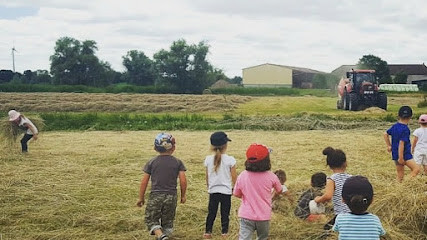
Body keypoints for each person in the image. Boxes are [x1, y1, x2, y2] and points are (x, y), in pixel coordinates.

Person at [136, 133, 187, 240]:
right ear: (173, 148)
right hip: (171, 196)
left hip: (156, 195)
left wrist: (141, 197)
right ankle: (165, 236)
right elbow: (183, 181)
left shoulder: (152, 162)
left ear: (155, 148)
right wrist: (183, 195)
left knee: (151, 218)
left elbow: (144, 182)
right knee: (168, 221)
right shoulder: (178, 162)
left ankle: (159, 235)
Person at [233, 143, 282, 240]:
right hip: (264, 216)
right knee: (262, 237)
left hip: (246, 215)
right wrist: (271, 195)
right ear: (267, 160)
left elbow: (236, 194)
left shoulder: (243, 175)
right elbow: (279, 190)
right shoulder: (271, 176)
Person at [203, 131, 237, 239]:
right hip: (226, 191)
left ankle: (208, 232)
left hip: (213, 190)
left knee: (211, 212)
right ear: (225, 145)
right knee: (225, 213)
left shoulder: (208, 159)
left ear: (212, 145)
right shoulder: (230, 160)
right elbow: (234, 177)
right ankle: (224, 233)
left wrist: (209, 186)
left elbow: (207, 176)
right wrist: (235, 188)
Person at [333, 175, 386, 240]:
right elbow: (382, 233)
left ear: (343, 200)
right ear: (372, 200)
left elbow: (335, 230)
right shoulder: (375, 220)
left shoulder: (340, 219)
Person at [314, 147, 351, 230]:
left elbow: (328, 196)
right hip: (353, 212)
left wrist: (318, 199)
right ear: (345, 163)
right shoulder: (351, 178)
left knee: (326, 230)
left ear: (329, 166)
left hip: (341, 215)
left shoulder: (332, 179)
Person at [384, 106, 419, 181]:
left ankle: (399, 186)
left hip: (395, 153)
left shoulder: (395, 126)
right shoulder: (405, 129)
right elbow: (401, 144)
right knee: (416, 169)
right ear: (410, 116)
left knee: (400, 174)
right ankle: (405, 183)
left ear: (399, 115)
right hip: (404, 155)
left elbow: (385, 134)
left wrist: (388, 145)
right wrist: (401, 158)